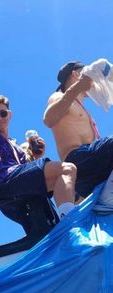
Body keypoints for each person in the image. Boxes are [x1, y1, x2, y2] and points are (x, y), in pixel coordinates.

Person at [0, 95, 77, 225]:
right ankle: (69, 221)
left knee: (49, 222)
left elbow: (27, 171)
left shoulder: (15, 145)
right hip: (4, 183)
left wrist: (37, 157)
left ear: (9, 115)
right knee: (67, 169)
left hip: (20, 187)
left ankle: (63, 222)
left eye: (3, 113)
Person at [43, 61, 113, 199]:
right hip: (78, 159)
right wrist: (78, 86)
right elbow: (48, 119)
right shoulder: (59, 96)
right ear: (76, 74)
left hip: (90, 175)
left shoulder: (84, 110)